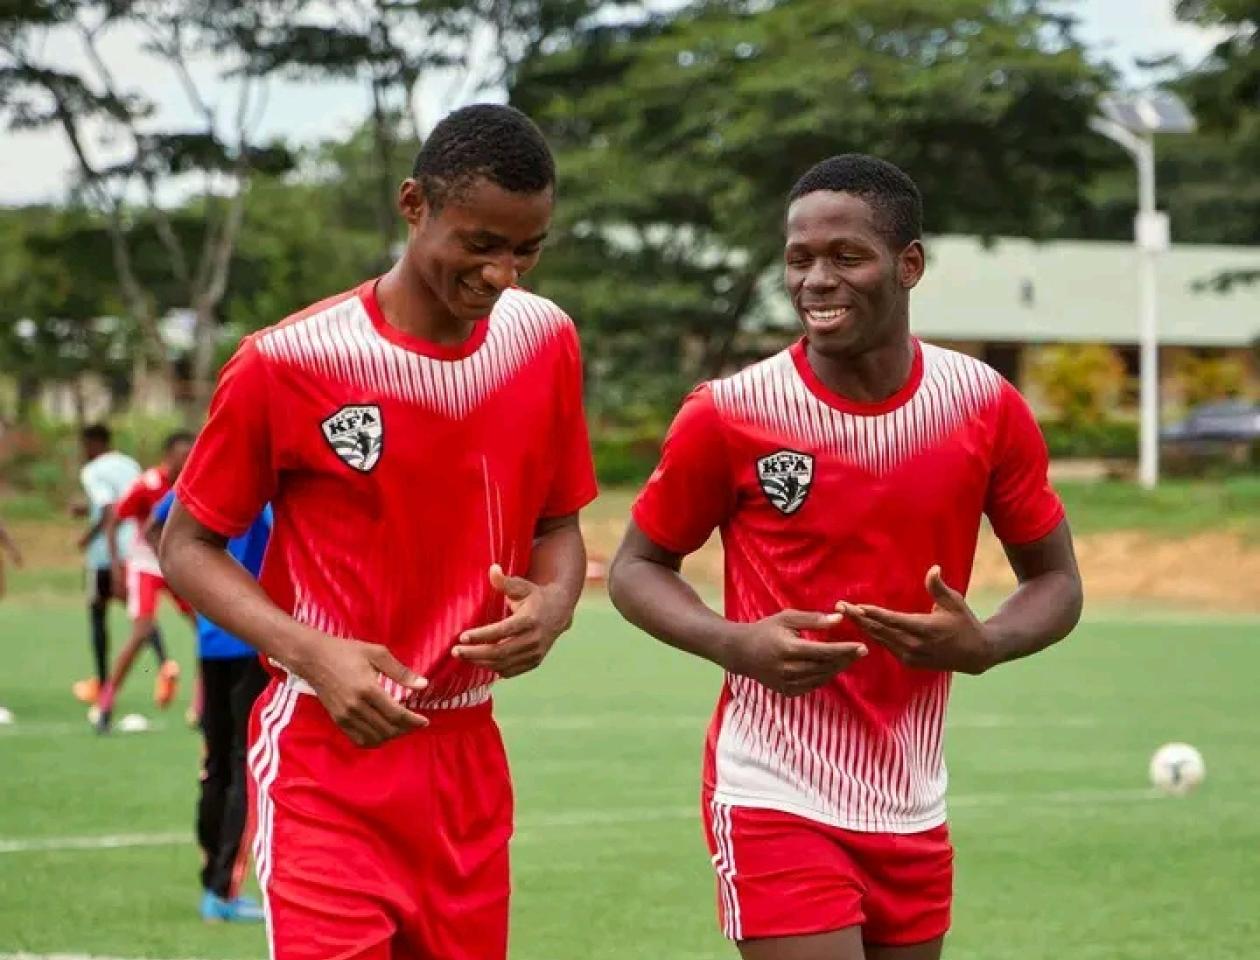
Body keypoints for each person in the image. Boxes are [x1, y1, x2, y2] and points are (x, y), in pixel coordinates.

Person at [608, 154, 1084, 960]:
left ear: (909, 265)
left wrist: (988, 644)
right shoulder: (731, 413)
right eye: (799, 259)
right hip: (773, 789)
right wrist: (736, 644)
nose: (816, 280)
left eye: (845, 256)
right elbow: (634, 567)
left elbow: (1059, 582)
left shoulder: (983, 406)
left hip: (911, 801)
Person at [160, 103, 596, 960]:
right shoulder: (287, 362)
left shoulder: (546, 340)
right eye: (479, 243)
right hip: (330, 749)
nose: (504, 273)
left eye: (527, 247)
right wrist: (313, 651)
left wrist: (557, 602)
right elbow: (187, 544)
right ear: (413, 205)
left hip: (467, 754)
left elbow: (559, 524)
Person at [149, 491, 271, 922]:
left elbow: (157, 528)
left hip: (212, 636)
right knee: (244, 762)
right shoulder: (265, 472)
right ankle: (223, 890)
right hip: (254, 635)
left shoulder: (200, 473)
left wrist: (191, 598)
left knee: (217, 761)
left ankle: (211, 882)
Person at [95, 431, 195, 732]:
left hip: (178, 565)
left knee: (207, 630)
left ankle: (201, 709)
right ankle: (106, 703)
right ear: (168, 456)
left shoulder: (193, 482)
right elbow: (115, 519)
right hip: (146, 564)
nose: (188, 461)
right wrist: (116, 567)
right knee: (140, 634)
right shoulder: (148, 484)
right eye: (182, 456)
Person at [73, 424, 167, 706]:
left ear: (92, 443)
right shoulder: (130, 464)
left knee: (97, 614)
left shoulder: (92, 470)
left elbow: (107, 508)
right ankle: (164, 664)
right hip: (139, 550)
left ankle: (103, 684)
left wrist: (86, 538)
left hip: (107, 553)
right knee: (141, 615)